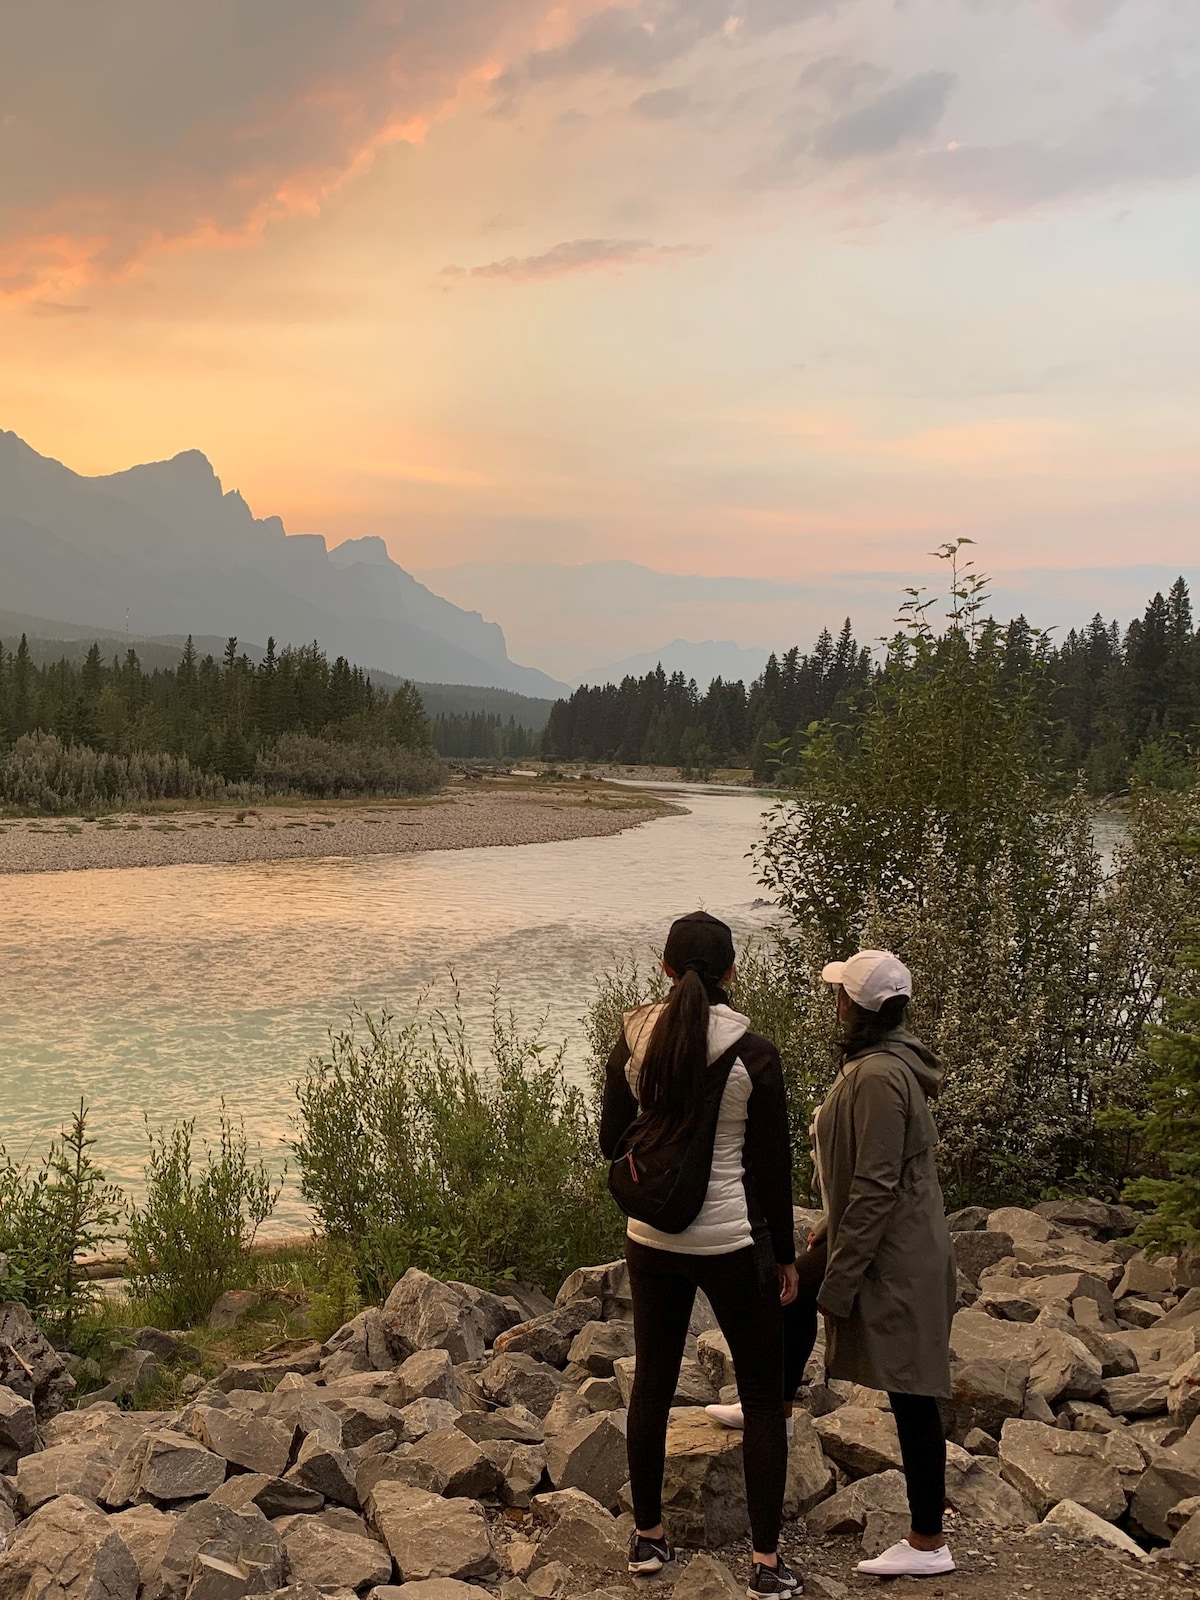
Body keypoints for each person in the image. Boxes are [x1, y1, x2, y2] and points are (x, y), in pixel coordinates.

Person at [708, 949, 955, 1581]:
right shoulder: (885, 1061)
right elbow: (871, 1176)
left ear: (854, 1006)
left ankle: (929, 1541)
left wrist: (840, 1281)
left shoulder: (878, 1077)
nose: (834, 1000)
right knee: (790, 1288)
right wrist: (829, 1232)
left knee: (912, 1390)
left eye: (840, 992)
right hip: (889, 1240)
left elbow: (877, 1185)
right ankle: (775, 1408)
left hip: (899, 1256)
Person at [600, 911, 802, 1599]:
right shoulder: (755, 1053)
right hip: (729, 1241)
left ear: (663, 967)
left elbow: (611, 1139)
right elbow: (771, 1167)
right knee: (762, 1397)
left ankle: (648, 1538)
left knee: (652, 1385)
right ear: (732, 972)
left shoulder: (633, 1035)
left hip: (651, 1236)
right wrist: (785, 1255)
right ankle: (766, 1565)